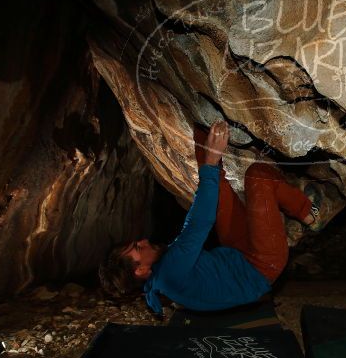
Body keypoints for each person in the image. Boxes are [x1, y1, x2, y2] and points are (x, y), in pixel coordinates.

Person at [99, 120, 323, 314]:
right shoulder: (169, 272)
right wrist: (212, 161)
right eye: (138, 248)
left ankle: (207, 127)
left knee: (204, 153)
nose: (143, 241)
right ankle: (309, 213)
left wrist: (208, 158)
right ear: (140, 270)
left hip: (235, 253)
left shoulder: (160, 276)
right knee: (258, 176)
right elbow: (198, 223)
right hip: (262, 266)